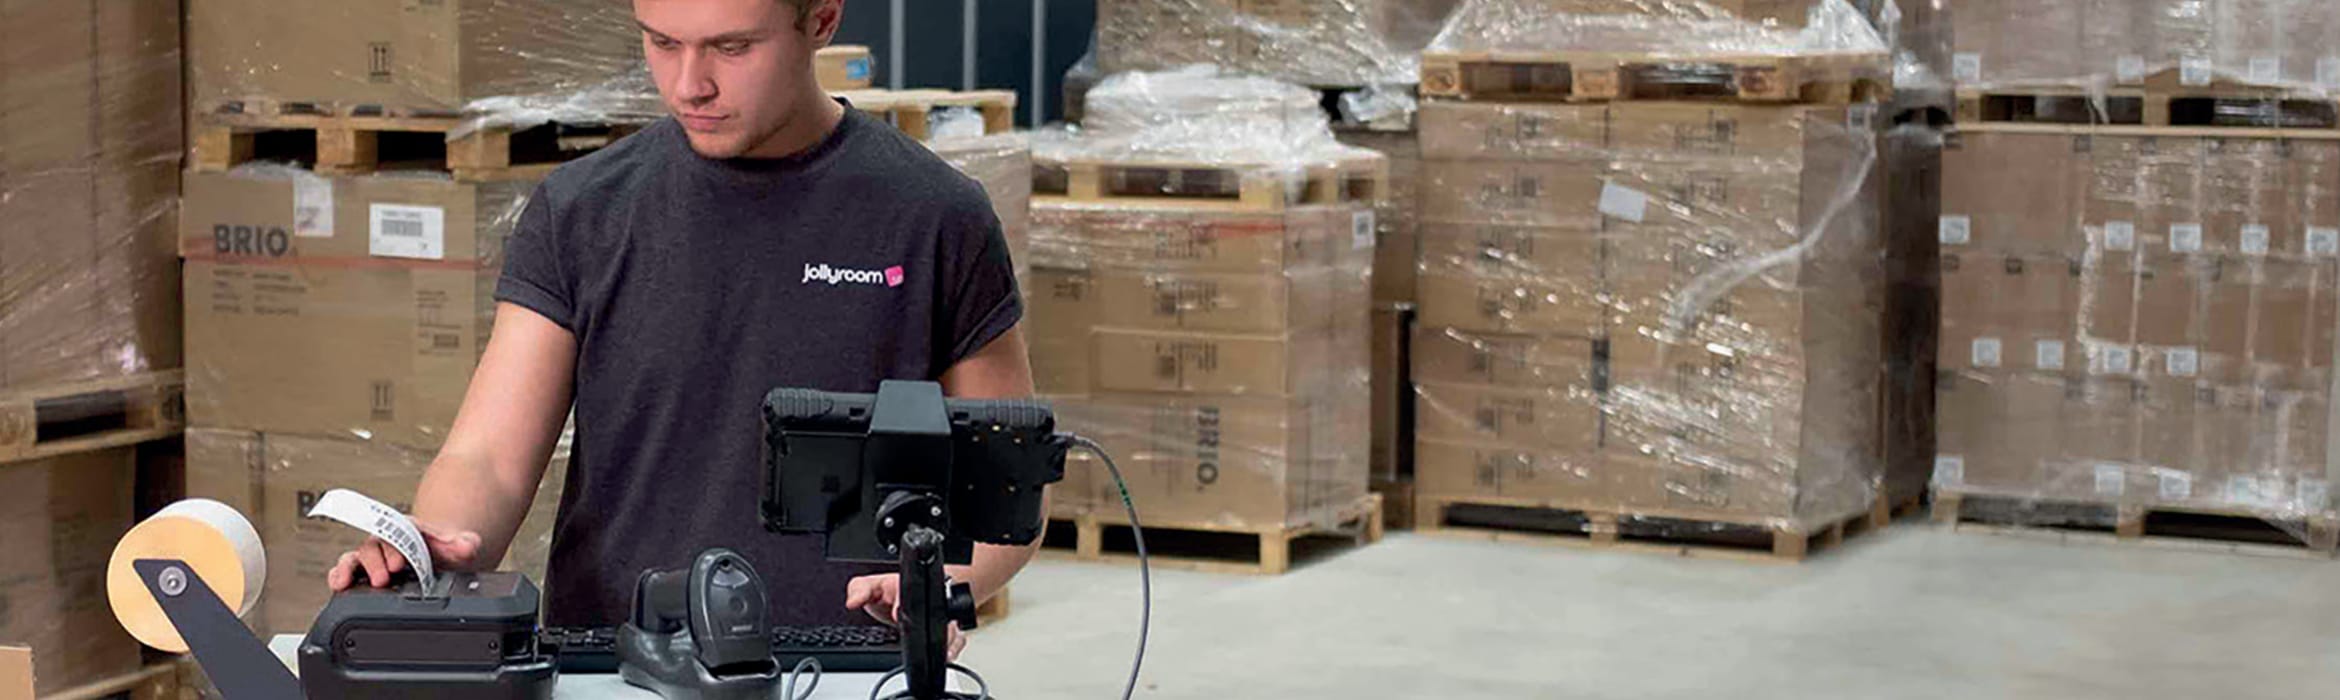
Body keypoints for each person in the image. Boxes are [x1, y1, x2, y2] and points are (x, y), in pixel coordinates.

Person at [325, 0, 1036, 659]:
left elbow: (1009, 495)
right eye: (662, 42)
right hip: (613, 661)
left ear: (820, 20)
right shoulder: (582, 211)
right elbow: (487, 457)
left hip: (844, 664)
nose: (689, 85)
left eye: (732, 47)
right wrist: (434, 553)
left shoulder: (938, 218)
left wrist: (938, 583)